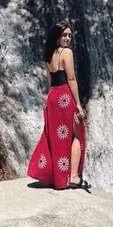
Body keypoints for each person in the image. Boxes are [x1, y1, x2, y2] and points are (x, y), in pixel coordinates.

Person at [27, 21, 90, 191]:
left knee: (55, 137)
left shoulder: (48, 55)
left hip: (53, 97)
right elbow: (71, 79)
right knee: (77, 135)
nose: (68, 38)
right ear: (57, 36)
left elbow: (49, 82)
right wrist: (77, 103)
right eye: (64, 35)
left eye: (69, 35)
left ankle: (57, 178)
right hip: (65, 97)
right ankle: (74, 177)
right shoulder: (66, 53)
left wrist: (48, 99)